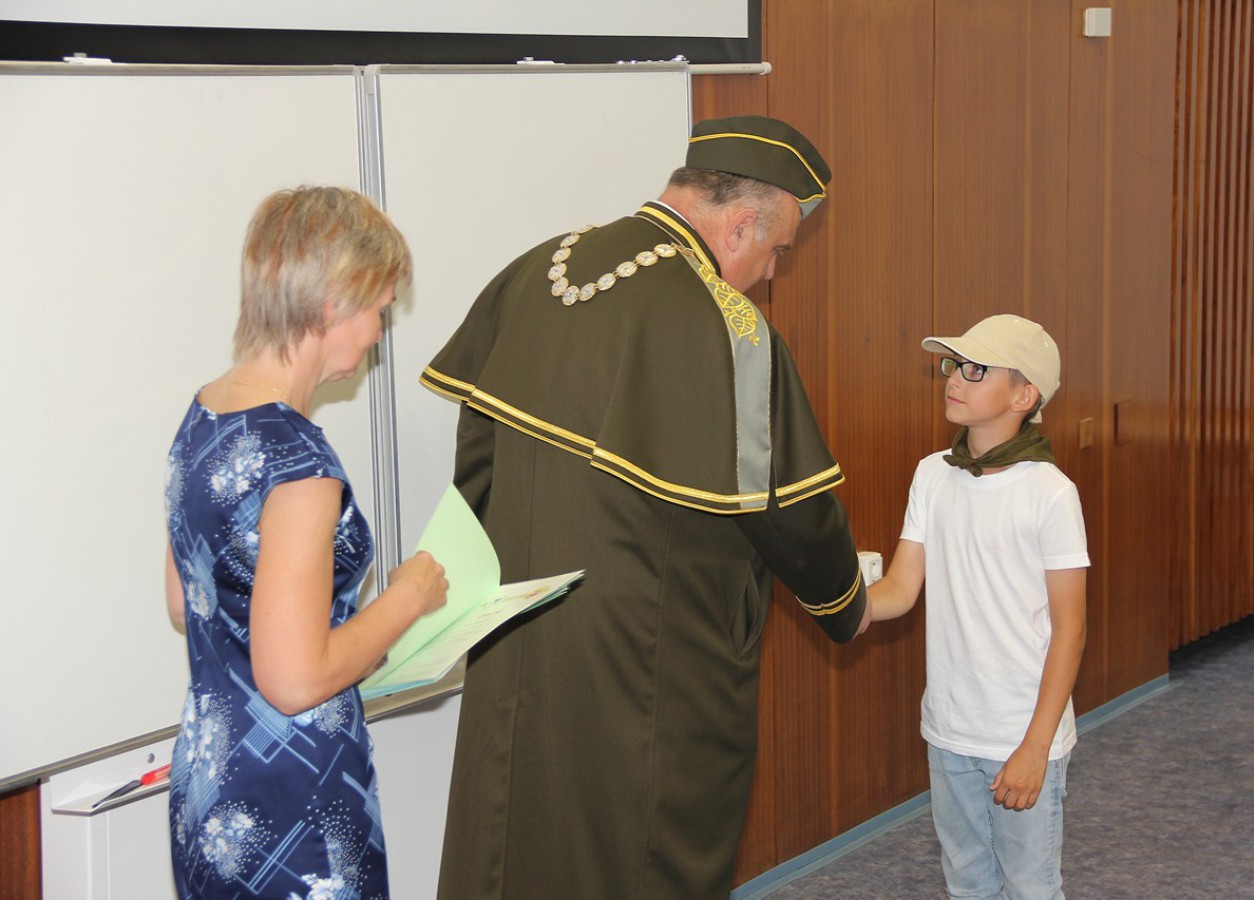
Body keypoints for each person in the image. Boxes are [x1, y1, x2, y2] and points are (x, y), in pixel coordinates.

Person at [420, 115, 871, 898]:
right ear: (740, 225)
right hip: (647, 651)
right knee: (635, 846)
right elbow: (790, 514)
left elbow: (477, 457)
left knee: (514, 822)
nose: (770, 273)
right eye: (776, 251)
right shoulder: (726, 325)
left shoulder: (541, 266)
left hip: (518, 626)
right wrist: (846, 604)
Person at [163, 186, 448, 899]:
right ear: (331, 305)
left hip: (212, 786)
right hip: (293, 803)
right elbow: (293, 681)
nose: (379, 331)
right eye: (379, 309)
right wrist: (407, 599)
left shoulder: (206, 412)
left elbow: (186, 600)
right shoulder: (299, 466)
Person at [867, 314, 1089, 899]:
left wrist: (1035, 749)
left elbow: (1069, 630)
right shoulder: (932, 476)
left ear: (1023, 395)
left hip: (1022, 733)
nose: (953, 378)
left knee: (1030, 887)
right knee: (967, 883)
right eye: (954, 365)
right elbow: (900, 589)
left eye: (976, 369)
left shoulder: (1050, 493)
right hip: (949, 729)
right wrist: (842, 606)